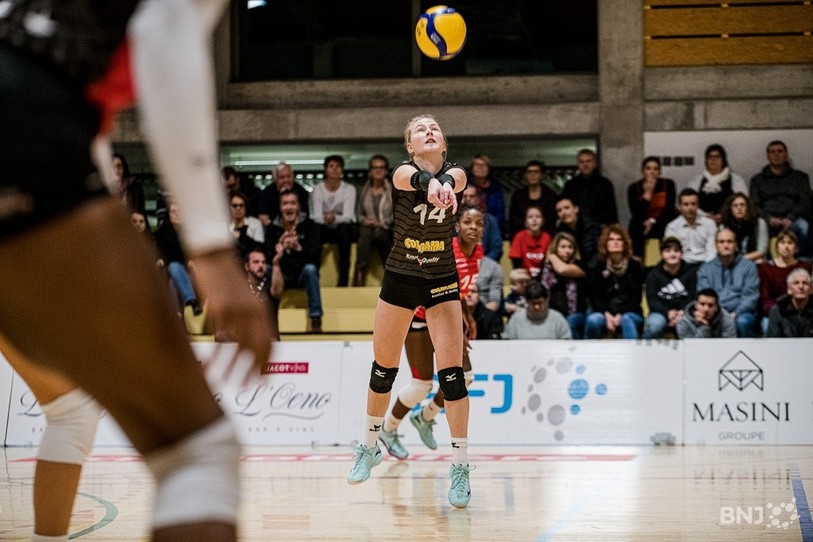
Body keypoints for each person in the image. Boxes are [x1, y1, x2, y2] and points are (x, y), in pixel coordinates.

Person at [0, 2, 273, 541]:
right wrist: (214, 252)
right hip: (22, 115)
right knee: (196, 451)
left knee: (74, 412)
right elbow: (165, 26)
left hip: (31, 125)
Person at [347, 114, 472, 509]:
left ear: (444, 143)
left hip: (441, 279)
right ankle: (369, 446)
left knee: (452, 376)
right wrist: (429, 183)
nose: (429, 131)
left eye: (435, 127)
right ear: (411, 145)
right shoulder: (403, 173)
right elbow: (408, 178)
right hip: (400, 276)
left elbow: (455, 180)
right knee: (383, 370)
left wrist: (444, 184)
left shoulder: (457, 174)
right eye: (420, 130)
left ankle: (461, 466)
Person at [376, 205, 483, 462]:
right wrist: (458, 326)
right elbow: (438, 290)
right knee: (422, 385)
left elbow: (458, 292)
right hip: (420, 315)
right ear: (457, 226)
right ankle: (387, 430)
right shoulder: (449, 251)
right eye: (467, 222)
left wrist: (466, 317)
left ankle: (424, 417)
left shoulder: (478, 253)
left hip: (446, 316)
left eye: (478, 224)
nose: (473, 227)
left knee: (465, 377)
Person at [266, 189, 324, 333]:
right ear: (280, 207)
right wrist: (279, 251)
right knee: (265, 269)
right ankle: (266, 318)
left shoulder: (310, 226)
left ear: (298, 206)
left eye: (292, 203)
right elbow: (266, 256)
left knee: (310, 269)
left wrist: (298, 248)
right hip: (281, 274)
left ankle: (316, 318)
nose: (289, 207)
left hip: (301, 274)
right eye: (285, 203)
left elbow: (316, 256)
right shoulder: (272, 229)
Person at [749, 140, 811, 255]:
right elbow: (753, 205)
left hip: (793, 219)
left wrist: (790, 218)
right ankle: (767, 264)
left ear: (786, 155)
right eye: (772, 152)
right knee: (757, 227)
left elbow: (805, 201)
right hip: (767, 220)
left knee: (804, 226)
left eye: (780, 151)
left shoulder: (800, 177)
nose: (776, 154)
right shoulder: (757, 180)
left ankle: (803, 260)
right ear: (768, 156)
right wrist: (768, 218)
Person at [696, 228, 760, 337]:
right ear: (716, 245)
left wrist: (736, 313)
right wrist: (720, 315)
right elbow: (703, 296)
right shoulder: (706, 268)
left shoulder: (749, 267)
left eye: (729, 241)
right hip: (714, 313)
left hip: (741, 313)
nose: (726, 245)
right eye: (721, 242)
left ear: (735, 245)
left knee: (744, 322)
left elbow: (750, 297)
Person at [585, 225, 644, 339]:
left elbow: (636, 297)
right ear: (605, 244)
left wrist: (619, 315)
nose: (615, 242)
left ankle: (633, 354)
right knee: (592, 320)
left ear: (624, 243)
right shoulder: (598, 266)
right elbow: (595, 297)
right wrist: (607, 315)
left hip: (630, 312)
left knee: (626, 320)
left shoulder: (634, 266)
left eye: (619, 239)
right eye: (611, 240)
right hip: (604, 312)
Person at [312, 154, 357, 287]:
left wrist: (333, 218)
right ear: (326, 170)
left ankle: (343, 282)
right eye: (331, 166)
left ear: (342, 170)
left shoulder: (349, 189)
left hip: (341, 230)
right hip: (323, 229)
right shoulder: (318, 189)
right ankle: (314, 278)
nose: (335, 169)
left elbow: (348, 217)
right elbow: (317, 217)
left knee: (344, 229)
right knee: (316, 230)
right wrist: (331, 218)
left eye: (338, 166)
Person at [757, 230, 812, 334]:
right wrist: (779, 311)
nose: (786, 246)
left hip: (801, 309)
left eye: (790, 243)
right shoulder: (766, 268)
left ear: (795, 247)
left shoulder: (805, 267)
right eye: (782, 242)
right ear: (777, 246)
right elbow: (765, 299)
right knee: (766, 324)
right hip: (775, 310)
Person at [154, 203, 204, 316]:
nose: (176, 215)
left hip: (189, 268)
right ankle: (192, 301)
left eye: (179, 212)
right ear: (168, 214)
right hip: (171, 267)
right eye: (173, 212)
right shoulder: (162, 232)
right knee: (174, 266)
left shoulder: (191, 232)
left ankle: (185, 312)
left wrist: (191, 260)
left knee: (174, 283)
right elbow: (163, 254)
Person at [643, 236, 697, 339]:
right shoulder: (653, 274)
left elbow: (693, 297)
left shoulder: (691, 273)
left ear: (682, 254)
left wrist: (682, 312)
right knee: (654, 326)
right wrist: (668, 312)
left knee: (692, 325)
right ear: (661, 254)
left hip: (685, 312)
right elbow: (652, 301)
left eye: (676, 251)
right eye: (667, 251)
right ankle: (646, 354)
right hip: (660, 313)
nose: (672, 254)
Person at [354, 154, 394, 286]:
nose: (378, 171)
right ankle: (360, 274)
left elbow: (396, 212)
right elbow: (358, 213)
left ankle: (390, 276)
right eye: (375, 168)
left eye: (381, 168)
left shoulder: (393, 191)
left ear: (386, 171)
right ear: (370, 171)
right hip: (368, 226)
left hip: (387, 227)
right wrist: (365, 220)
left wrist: (383, 223)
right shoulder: (362, 190)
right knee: (365, 234)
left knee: (381, 235)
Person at [540, 231, 589, 339]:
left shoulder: (580, 265)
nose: (567, 251)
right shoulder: (548, 269)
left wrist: (552, 256)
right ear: (556, 247)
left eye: (570, 247)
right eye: (563, 247)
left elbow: (562, 270)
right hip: (554, 313)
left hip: (577, 314)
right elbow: (544, 290)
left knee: (569, 323)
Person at [627, 156, 676, 259]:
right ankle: (637, 259)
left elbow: (669, 210)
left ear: (660, 171)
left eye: (655, 169)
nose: (652, 172)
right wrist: (647, 194)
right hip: (642, 221)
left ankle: (666, 256)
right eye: (648, 168)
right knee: (636, 227)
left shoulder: (668, 184)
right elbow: (636, 213)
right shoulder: (633, 188)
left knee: (664, 226)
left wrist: (653, 220)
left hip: (661, 220)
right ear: (642, 171)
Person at [687, 144, 748, 224]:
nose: (713, 160)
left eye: (717, 157)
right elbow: (688, 203)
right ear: (706, 160)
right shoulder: (696, 181)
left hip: (730, 221)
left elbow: (743, 203)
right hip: (701, 221)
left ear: (723, 160)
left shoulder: (736, 180)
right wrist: (705, 216)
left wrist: (724, 215)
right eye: (710, 157)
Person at [561, 149, 618, 229]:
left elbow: (611, 210)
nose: (585, 164)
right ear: (578, 164)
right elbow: (564, 206)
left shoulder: (605, 184)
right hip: (576, 228)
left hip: (599, 227)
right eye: (582, 162)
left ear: (595, 163)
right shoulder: (570, 185)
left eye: (588, 161)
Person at [664, 188, 718, 265]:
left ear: (698, 205)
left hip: (705, 263)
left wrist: (707, 267)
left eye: (693, 204)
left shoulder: (710, 224)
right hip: (682, 265)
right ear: (679, 207)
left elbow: (712, 251)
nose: (690, 208)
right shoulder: (672, 227)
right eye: (686, 204)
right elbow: (673, 252)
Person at [503, 282, 572, 340]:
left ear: (547, 301)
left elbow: (566, 344)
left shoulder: (557, 319)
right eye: (533, 303)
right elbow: (508, 345)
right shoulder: (516, 319)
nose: (537, 307)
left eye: (540, 303)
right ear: (526, 302)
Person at [509, 160, 557, 238]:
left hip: (545, 239)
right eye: (529, 172)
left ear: (541, 175)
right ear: (525, 175)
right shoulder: (518, 196)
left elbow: (551, 222)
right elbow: (514, 222)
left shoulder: (550, 195)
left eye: (536, 172)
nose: (533, 175)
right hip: (522, 238)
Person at [242, 248, 282, 341]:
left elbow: (277, 291)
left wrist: (276, 265)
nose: (261, 265)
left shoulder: (270, 285)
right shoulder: (240, 289)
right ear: (247, 266)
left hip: (270, 343)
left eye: (263, 262)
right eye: (256, 262)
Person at [554, 195, 601, 271]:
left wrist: (587, 269)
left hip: (594, 271)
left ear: (576, 209)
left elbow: (600, 252)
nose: (563, 212)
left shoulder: (593, 227)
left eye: (567, 208)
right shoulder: (559, 232)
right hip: (571, 272)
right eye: (559, 210)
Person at [719, 192, 768, 264]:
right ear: (730, 209)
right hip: (731, 263)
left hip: (753, 261)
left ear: (748, 207)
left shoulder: (759, 223)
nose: (739, 208)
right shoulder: (724, 226)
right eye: (735, 206)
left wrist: (740, 260)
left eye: (742, 205)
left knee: (760, 261)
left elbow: (762, 250)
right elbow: (723, 250)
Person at [258, 162, 310, 227]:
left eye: (288, 176)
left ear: (293, 176)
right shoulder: (266, 193)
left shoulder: (302, 192)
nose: (286, 180)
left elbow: (305, 215)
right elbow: (263, 217)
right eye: (282, 177)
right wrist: (275, 230)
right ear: (275, 179)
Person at [766, 268, 813, 337]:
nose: (801, 286)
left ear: (811, 289)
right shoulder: (778, 311)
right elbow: (773, 340)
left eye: (805, 283)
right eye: (796, 283)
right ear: (789, 290)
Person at [461, 184, 502, 261]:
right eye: (464, 196)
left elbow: (496, 249)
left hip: (484, 264)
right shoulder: (450, 220)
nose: (468, 199)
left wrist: (482, 262)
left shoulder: (490, 220)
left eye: (471, 196)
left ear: (477, 199)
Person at [509, 205, 551, 279]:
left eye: (538, 217)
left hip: (542, 275)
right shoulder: (520, 236)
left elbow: (548, 262)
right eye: (530, 217)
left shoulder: (547, 237)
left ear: (543, 221)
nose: (534, 219)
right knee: (513, 274)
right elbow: (516, 262)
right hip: (524, 274)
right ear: (525, 223)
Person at [468, 154, 505, 236]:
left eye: (484, 165)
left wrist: (491, 228)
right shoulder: (465, 187)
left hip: (491, 229)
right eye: (477, 165)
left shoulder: (496, 189)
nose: (481, 168)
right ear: (472, 168)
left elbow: (500, 214)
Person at [229, 192, 265, 257]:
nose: (238, 208)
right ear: (229, 208)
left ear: (245, 208)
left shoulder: (255, 223)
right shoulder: (224, 226)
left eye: (241, 205)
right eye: (235, 206)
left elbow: (260, 247)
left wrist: (242, 237)